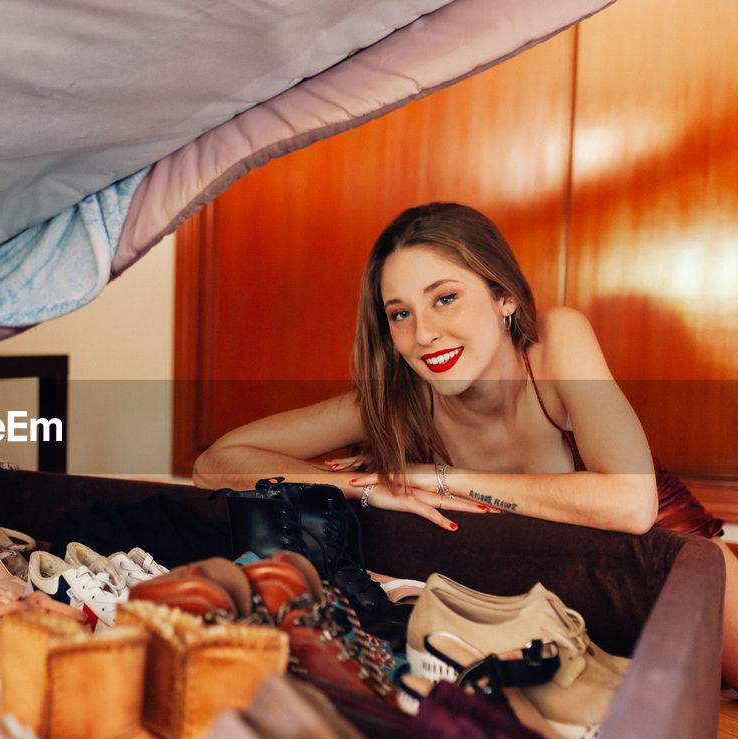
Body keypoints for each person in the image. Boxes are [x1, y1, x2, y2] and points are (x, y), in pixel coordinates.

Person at [192, 201, 738, 685]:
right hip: (573, 620)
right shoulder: (397, 398)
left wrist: (439, 478)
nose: (423, 333)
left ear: (503, 296)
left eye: (445, 298)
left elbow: (630, 502)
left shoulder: (555, 340)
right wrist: (366, 486)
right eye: (400, 314)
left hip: (681, 571)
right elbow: (216, 463)